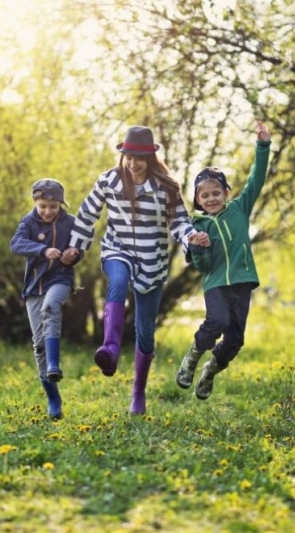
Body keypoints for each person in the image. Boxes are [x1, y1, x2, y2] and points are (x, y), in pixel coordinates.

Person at [62, 126, 209, 415]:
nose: (132, 163)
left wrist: (190, 237)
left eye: (139, 157)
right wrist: (76, 247)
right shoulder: (110, 180)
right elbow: (88, 213)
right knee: (117, 281)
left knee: (145, 331)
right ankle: (110, 348)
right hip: (117, 250)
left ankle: (138, 393)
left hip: (152, 262)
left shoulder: (166, 188)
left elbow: (179, 222)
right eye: (128, 156)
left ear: (150, 158)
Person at [176, 120, 272, 400]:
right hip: (216, 283)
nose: (211, 198)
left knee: (235, 340)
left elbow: (258, 178)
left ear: (227, 193)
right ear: (197, 200)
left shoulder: (239, 209)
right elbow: (202, 267)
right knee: (216, 321)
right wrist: (199, 248)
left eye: (216, 193)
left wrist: (263, 145)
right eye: (204, 195)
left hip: (242, 282)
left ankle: (209, 371)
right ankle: (192, 357)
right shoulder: (197, 225)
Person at [10, 178, 82, 420]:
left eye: (53, 206)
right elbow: (16, 244)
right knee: (38, 344)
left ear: (61, 204)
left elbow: (81, 243)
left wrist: (75, 253)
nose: (48, 211)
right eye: (43, 206)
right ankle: (53, 398)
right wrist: (42, 250)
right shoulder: (28, 221)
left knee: (51, 307)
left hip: (60, 279)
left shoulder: (70, 223)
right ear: (35, 203)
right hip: (34, 286)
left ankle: (54, 364)